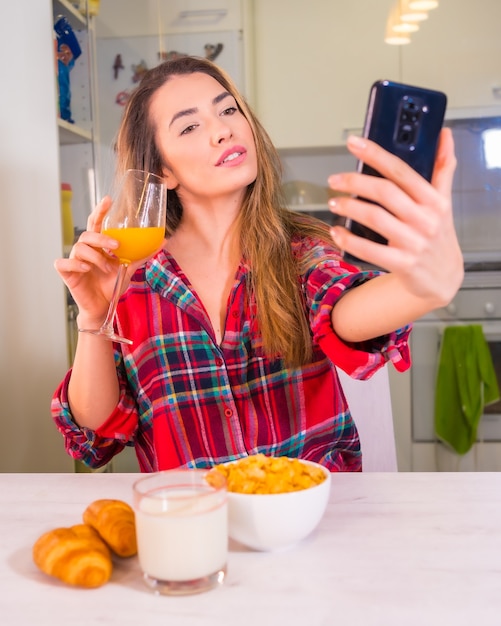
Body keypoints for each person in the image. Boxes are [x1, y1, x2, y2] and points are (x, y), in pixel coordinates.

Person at [52, 55, 463, 472]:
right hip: (195, 526)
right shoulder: (130, 275)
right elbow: (96, 432)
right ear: (163, 170)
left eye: (228, 109)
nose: (223, 129)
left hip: (314, 520)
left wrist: (424, 286)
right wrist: (93, 315)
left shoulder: (302, 249)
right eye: (190, 126)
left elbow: (345, 313)